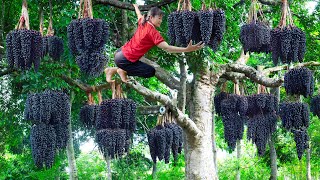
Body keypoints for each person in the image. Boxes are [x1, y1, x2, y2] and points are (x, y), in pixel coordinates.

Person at [105, 4, 204, 83]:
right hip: (124, 60)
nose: (161, 21)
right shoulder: (152, 32)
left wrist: (136, 7)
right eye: (159, 18)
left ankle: (120, 70)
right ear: (151, 17)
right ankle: (117, 70)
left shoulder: (143, 22)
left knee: (139, 62)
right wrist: (187, 49)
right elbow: (167, 48)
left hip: (120, 53)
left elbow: (138, 15)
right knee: (150, 71)